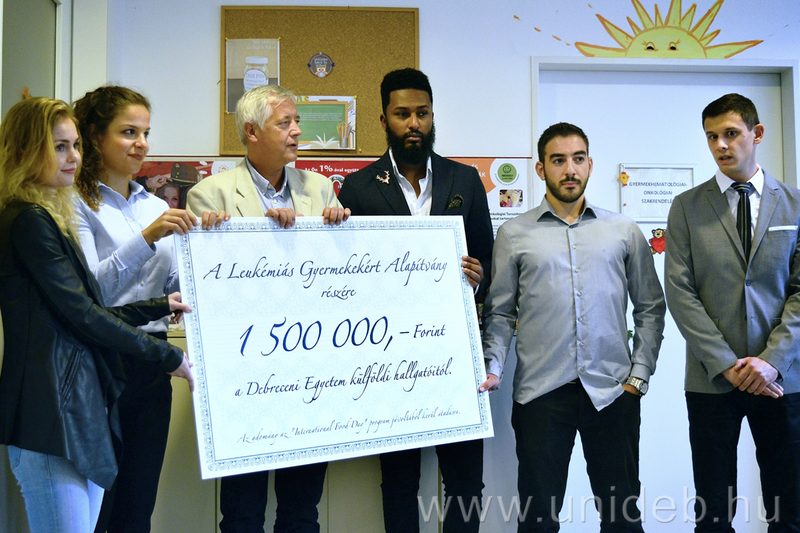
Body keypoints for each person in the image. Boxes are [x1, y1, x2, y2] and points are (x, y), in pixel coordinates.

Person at [0, 97, 194, 533]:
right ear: (25, 151)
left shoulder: (49, 214)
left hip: (75, 401)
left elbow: (84, 305)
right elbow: (84, 313)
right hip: (53, 405)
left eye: (74, 146)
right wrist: (166, 356)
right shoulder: (30, 219)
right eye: (59, 147)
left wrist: (159, 305)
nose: (73, 157)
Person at [480, 122, 666, 532]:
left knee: (621, 519)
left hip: (612, 392)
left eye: (578, 159)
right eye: (558, 160)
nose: (570, 169)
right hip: (540, 394)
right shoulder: (514, 234)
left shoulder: (623, 231)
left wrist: (638, 377)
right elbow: (500, 312)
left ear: (590, 164)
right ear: (541, 168)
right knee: (538, 520)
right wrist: (493, 365)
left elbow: (651, 307)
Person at [187, 84, 349, 533]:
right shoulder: (209, 195)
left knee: (302, 509)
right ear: (252, 131)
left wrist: (338, 231)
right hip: (245, 376)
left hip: (311, 370)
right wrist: (250, 235)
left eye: (297, 122)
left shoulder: (321, 189)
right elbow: (205, 287)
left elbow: (342, 277)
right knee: (242, 511)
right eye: (285, 123)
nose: (297, 131)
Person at [338, 68, 493, 533]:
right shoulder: (359, 187)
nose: (414, 124)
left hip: (455, 354)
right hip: (388, 358)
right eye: (402, 114)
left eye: (422, 113)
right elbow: (347, 279)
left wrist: (478, 277)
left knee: (466, 482)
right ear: (383, 120)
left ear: (432, 116)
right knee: (400, 482)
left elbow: (489, 261)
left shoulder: (465, 179)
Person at [72, 86, 221, 533]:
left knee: (138, 507)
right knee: (97, 508)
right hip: (99, 362)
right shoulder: (75, 203)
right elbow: (89, 292)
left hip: (154, 362)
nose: (141, 144)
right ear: (95, 135)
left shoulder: (156, 205)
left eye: (146, 133)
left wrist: (214, 246)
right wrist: (148, 237)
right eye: (128, 132)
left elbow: (174, 289)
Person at [665, 93, 800, 531]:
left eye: (730, 134)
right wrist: (726, 363)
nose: (721, 145)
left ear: (756, 134)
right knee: (713, 511)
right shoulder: (687, 206)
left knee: (789, 509)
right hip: (712, 380)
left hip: (782, 380)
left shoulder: (795, 204)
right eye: (711, 137)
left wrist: (771, 361)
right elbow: (680, 292)